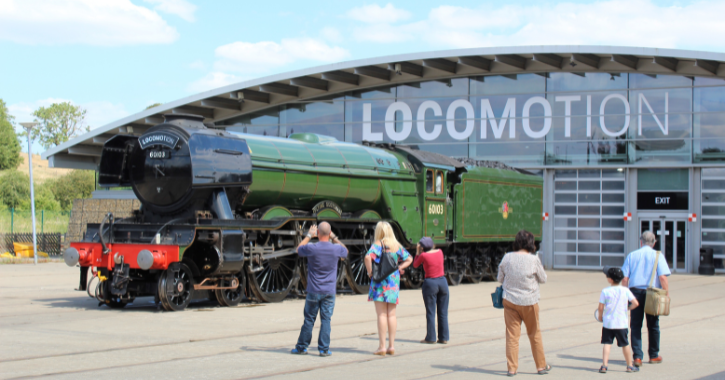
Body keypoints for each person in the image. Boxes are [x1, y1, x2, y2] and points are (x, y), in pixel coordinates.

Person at [497, 230, 551, 376]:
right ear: (530, 243)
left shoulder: (507, 257)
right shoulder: (534, 259)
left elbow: (500, 278)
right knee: (534, 334)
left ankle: (512, 368)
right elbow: (543, 279)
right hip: (529, 301)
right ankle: (541, 366)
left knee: (512, 336)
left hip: (510, 301)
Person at [291, 222, 348, 357]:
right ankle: (323, 349)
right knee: (326, 320)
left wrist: (309, 235)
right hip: (329, 291)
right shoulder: (336, 249)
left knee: (309, 320)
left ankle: (301, 347)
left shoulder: (312, 248)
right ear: (329, 234)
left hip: (313, 290)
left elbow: (298, 249)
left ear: (318, 234)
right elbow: (346, 251)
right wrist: (334, 237)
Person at [363, 221, 413, 356]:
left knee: (381, 314)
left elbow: (368, 257)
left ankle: (382, 347)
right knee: (391, 314)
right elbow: (409, 258)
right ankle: (391, 346)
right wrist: (400, 267)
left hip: (380, 282)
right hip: (393, 282)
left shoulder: (378, 244)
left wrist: (370, 272)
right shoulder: (396, 245)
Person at [622, 230, 671, 367]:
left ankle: (637, 357)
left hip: (635, 293)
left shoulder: (632, 255)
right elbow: (662, 277)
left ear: (641, 241)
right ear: (654, 242)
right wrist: (666, 294)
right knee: (653, 325)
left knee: (635, 325)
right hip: (652, 294)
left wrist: (626, 296)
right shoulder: (658, 255)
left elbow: (625, 278)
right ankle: (653, 355)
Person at [598, 267, 639, 374]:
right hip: (621, 323)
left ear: (610, 279)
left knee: (607, 343)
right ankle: (630, 365)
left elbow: (601, 307)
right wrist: (627, 308)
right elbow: (635, 303)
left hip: (608, 323)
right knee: (625, 344)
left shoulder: (605, 291)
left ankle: (604, 365)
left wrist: (600, 316)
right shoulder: (626, 290)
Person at [413, 236, 449, 344]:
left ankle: (431, 337)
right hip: (443, 282)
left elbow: (415, 264)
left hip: (430, 284)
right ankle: (443, 337)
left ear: (422, 247)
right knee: (443, 312)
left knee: (431, 312)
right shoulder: (440, 252)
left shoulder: (423, 255)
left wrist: (417, 252)